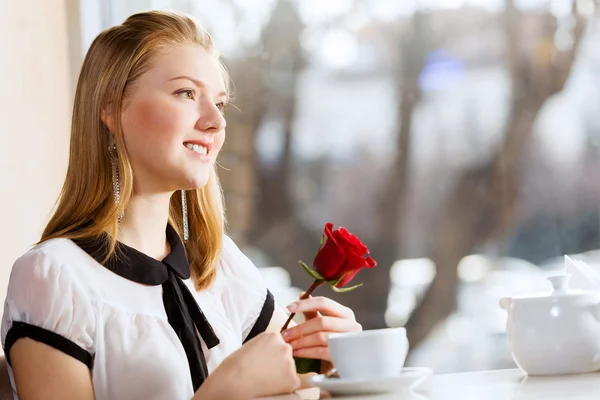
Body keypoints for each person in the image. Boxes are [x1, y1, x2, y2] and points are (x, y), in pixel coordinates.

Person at [1, 10, 361, 400]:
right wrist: (224, 393)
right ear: (109, 109)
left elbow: (297, 389)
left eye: (219, 104)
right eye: (186, 93)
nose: (215, 123)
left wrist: (334, 371)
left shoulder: (220, 265)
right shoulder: (53, 278)